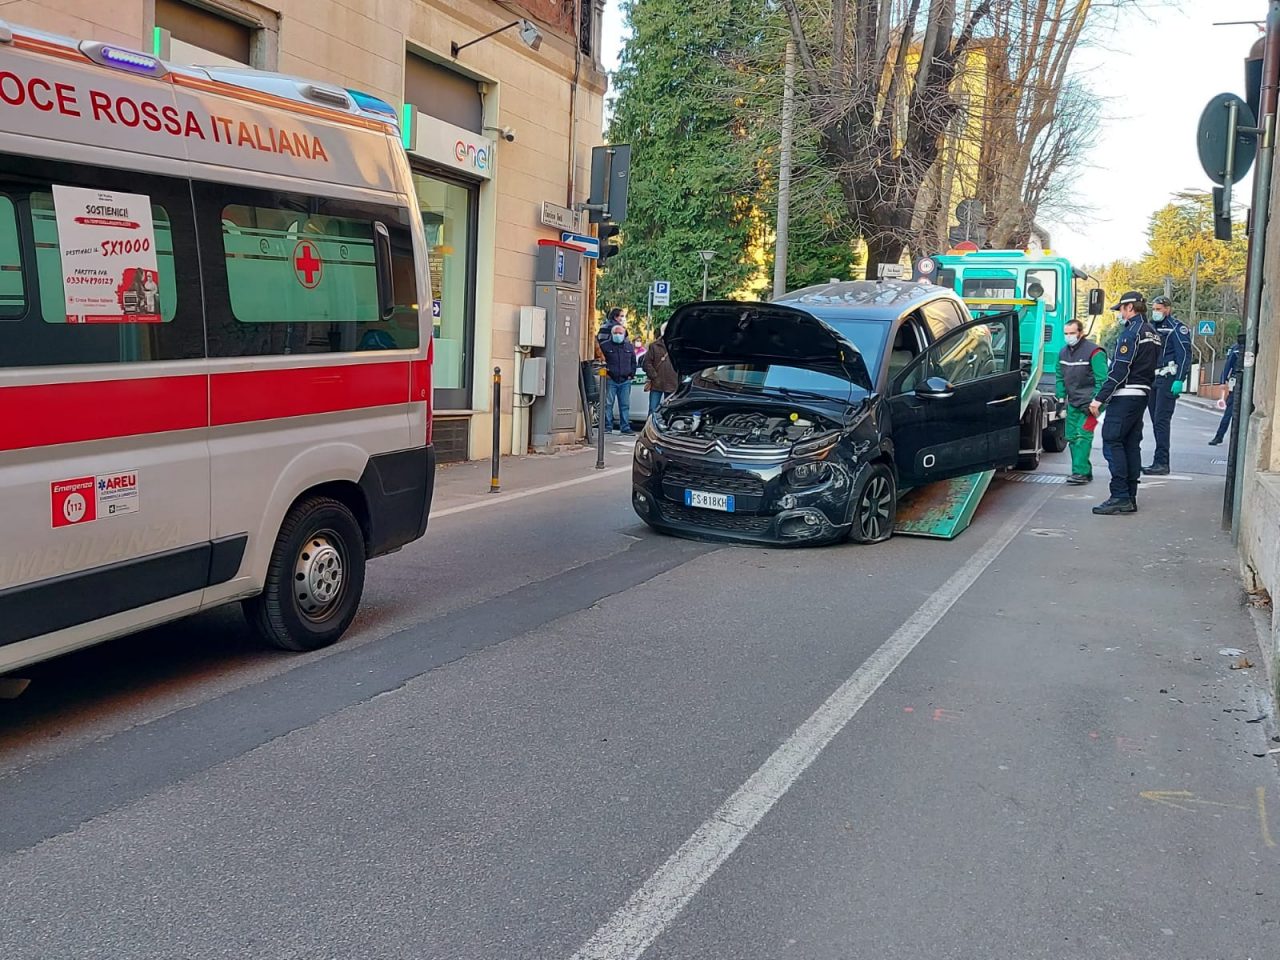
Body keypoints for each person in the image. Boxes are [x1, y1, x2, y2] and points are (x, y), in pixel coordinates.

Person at [1088, 291, 1162, 515]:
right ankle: (1130, 496)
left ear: (1130, 307)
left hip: (1126, 394)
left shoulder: (1132, 333)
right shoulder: (1153, 332)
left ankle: (1119, 495)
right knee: (1130, 443)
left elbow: (1120, 369)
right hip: (1142, 394)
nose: (1120, 313)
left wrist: (1099, 398)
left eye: (1121, 309)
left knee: (1112, 440)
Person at [1055, 318, 1108, 485]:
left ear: (1081, 333)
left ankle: (1080, 473)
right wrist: (1060, 398)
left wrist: (1097, 401)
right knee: (1071, 436)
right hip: (1074, 402)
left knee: (1083, 436)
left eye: (1072, 333)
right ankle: (1083, 471)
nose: (1068, 336)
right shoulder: (1063, 353)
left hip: (1092, 405)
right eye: (1066, 333)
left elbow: (1102, 380)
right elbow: (1060, 377)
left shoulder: (1095, 352)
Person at [1143, 295, 1192, 475]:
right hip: (1152, 379)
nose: (1155, 312)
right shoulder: (1150, 327)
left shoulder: (1177, 328)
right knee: (1156, 422)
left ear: (1167, 309)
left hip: (1168, 378)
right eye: (1154, 309)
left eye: (1159, 309)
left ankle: (1162, 462)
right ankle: (1158, 461)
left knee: (1161, 421)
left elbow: (1184, 355)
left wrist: (1180, 378)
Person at [599, 322, 637, 433]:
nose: (618, 335)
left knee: (625, 405)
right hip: (610, 379)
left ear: (624, 334)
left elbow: (633, 362)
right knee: (608, 404)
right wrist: (606, 375)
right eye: (615, 333)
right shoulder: (605, 346)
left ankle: (625, 427)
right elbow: (600, 361)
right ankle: (607, 426)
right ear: (612, 334)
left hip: (625, 381)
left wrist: (631, 375)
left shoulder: (629, 346)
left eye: (620, 333)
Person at [1209, 333, 1245, 446]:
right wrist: (1222, 380)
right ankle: (1220, 436)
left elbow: (1227, 365)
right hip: (1237, 382)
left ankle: (1222, 437)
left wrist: (1223, 380)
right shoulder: (1236, 349)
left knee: (1233, 413)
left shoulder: (1239, 348)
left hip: (1243, 382)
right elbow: (1228, 365)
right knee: (1230, 412)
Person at [641, 323, 679, 415]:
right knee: (653, 409)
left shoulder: (678, 346)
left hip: (673, 384)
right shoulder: (654, 346)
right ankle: (651, 424)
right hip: (657, 384)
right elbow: (646, 363)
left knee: (670, 410)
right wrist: (654, 376)